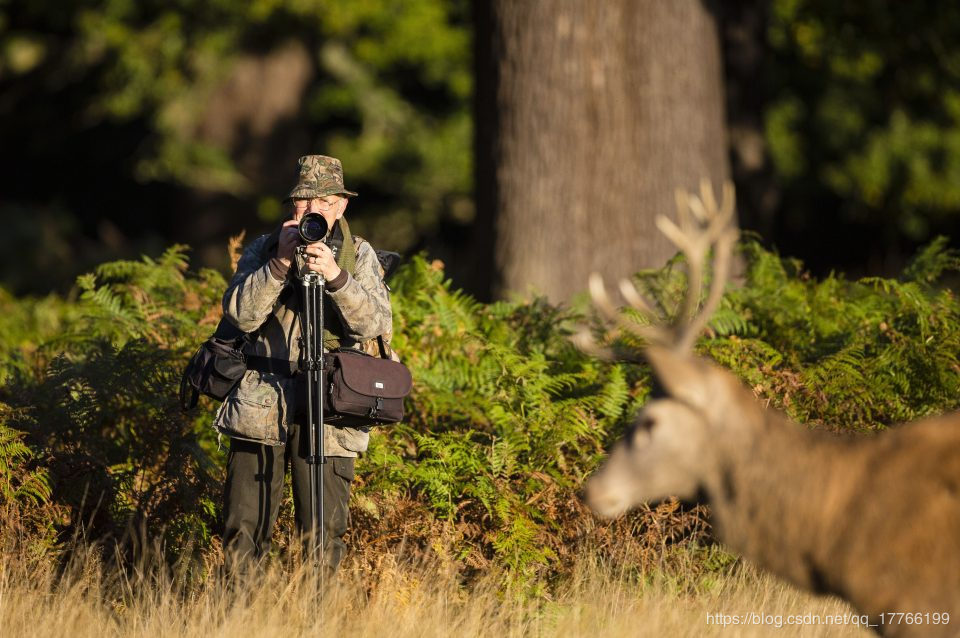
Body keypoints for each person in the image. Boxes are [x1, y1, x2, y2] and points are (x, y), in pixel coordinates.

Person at [214, 155, 392, 573]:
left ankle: (318, 623)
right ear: (291, 206)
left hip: (332, 406)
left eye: (326, 202)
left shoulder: (358, 255)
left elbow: (375, 325)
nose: (315, 211)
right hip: (261, 404)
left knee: (324, 536)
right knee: (244, 529)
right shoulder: (265, 249)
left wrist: (336, 277)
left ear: (342, 206)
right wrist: (277, 265)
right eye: (304, 202)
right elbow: (239, 316)